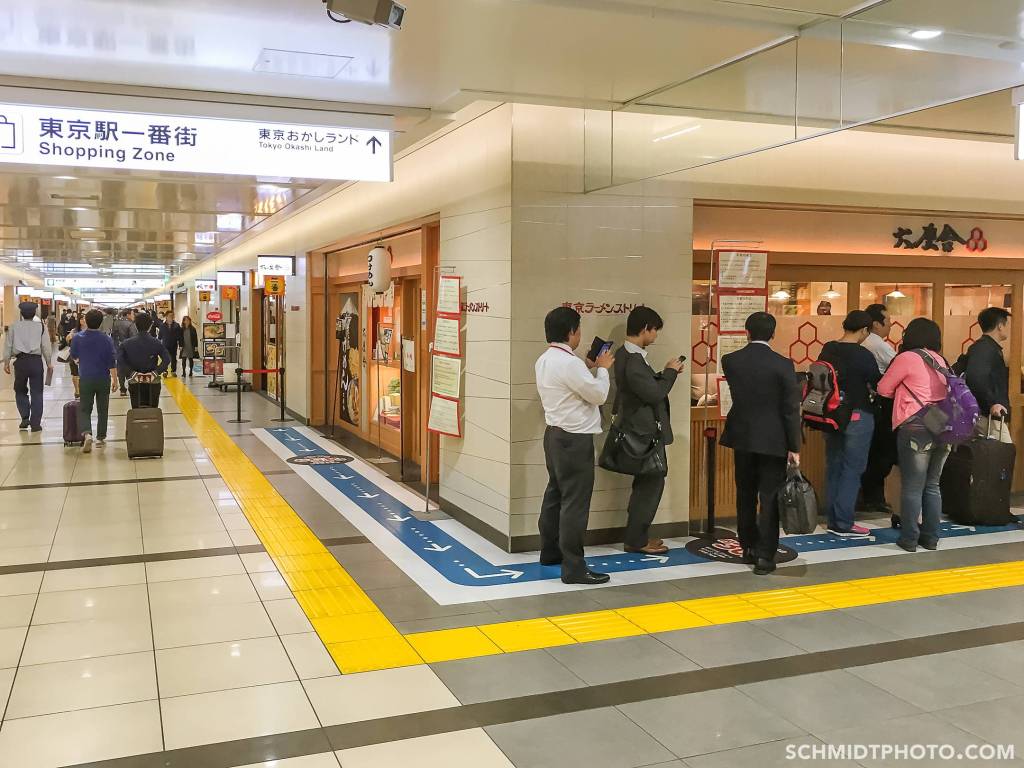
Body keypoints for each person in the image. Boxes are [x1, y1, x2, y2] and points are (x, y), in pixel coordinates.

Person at [536, 306, 614, 585]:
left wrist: (589, 368)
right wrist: (603, 370)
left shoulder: (546, 359)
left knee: (555, 494)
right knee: (575, 504)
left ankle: (550, 552)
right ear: (570, 332)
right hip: (575, 439)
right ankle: (574, 568)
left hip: (554, 436)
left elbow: (574, 388)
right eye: (579, 329)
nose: (580, 334)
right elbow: (599, 395)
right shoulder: (569, 363)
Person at [721, 312, 802, 575]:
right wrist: (795, 446)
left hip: (742, 436)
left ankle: (747, 545)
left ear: (747, 332)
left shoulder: (731, 361)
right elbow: (790, 409)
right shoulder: (783, 365)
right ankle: (765, 556)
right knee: (769, 497)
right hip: (774, 439)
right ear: (773, 334)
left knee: (744, 493)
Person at [612, 306, 684, 555]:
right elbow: (653, 393)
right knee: (651, 484)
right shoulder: (633, 361)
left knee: (645, 485)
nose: (656, 336)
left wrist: (664, 373)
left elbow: (643, 387)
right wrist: (671, 373)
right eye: (655, 331)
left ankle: (637, 536)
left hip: (636, 431)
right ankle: (636, 540)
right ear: (645, 329)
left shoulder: (625, 354)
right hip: (644, 434)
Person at [877, 318, 953, 552]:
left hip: (915, 426)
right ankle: (930, 537)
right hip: (942, 425)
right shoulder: (940, 360)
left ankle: (909, 538)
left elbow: (883, 389)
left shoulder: (907, 358)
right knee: (932, 485)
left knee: (912, 486)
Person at [820, 310, 881, 537]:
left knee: (834, 465)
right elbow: (877, 382)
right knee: (852, 468)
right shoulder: (862, 354)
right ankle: (844, 522)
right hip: (857, 415)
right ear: (865, 330)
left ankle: (834, 520)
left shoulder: (828, 348)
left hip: (832, 415)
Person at [859, 303, 898, 515]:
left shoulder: (864, 341)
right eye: (888, 321)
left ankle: (870, 497)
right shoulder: (877, 344)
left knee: (872, 452)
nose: (890, 325)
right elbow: (898, 366)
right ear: (876, 324)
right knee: (882, 454)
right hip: (882, 406)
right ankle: (873, 498)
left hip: (868, 405)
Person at [70, 309, 118, 453]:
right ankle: (101, 437)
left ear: (86, 320)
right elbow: (112, 361)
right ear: (100, 322)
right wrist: (115, 379)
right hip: (103, 378)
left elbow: (74, 356)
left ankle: (87, 433)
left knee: (85, 408)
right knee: (103, 408)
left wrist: (81, 361)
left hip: (85, 378)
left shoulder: (78, 338)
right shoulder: (107, 339)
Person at [2, 301, 53, 432]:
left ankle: (25, 417)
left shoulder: (14, 326)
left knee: (20, 390)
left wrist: (6, 362)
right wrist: (49, 363)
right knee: (37, 392)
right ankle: (36, 423)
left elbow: (8, 345)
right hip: (36, 362)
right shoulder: (41, 327)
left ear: (21, 313)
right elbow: (46, 347)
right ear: (35, 313)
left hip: (21, 362)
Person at [964, 307, 1012, 444]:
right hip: (988, 416)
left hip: (984, 414)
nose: (1008, 328)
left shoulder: (983, 347)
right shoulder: (985, 349)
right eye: (1006, 324)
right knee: (1003, 454)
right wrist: (992, 404)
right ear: (1000, 326)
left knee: (990, 458)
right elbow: (976, 378)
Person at [118, 313, 172, 408]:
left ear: (135, 325)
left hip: (134, 380)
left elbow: (120, 362)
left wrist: (132, 373)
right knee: (153, 410)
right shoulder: (156, 343)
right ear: (150, 325)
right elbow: (167, 359)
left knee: (136, 410)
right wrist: (156, 372)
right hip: (152, 380)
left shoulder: (126, 344)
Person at [111, 309, 137, 395]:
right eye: (132, 314)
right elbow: (134, 338)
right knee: (130, 369)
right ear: (128, 315)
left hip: (118, 350)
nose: (134, 316)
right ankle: (131, 386)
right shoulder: (131, 324)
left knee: (120, 370)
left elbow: (113, 337)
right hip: (129, 351)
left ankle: (122, 389)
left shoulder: (115, 323)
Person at [65, 314, 87, 398]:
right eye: (82, 319)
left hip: (85, 355)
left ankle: (83, 389)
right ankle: (77, 391)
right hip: (75, 354)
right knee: (75, 374)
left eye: (85, 319)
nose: (83, 320)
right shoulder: (74, 330)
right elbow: (67, 340)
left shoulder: (90, 331)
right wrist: (70, 337)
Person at [159, 311, 181, 377]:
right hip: (165, 345)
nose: (171, 317)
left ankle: (173, 371)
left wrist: (181, 344)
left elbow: (180, 336)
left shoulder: (177, 325)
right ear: (166, 316)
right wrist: (158, 344)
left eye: (172, 315)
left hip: (174, 345)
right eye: (169, 315)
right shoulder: (162, 325)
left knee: (174, 359)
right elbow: (160, 335)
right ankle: (165, 371)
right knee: (165, 358)